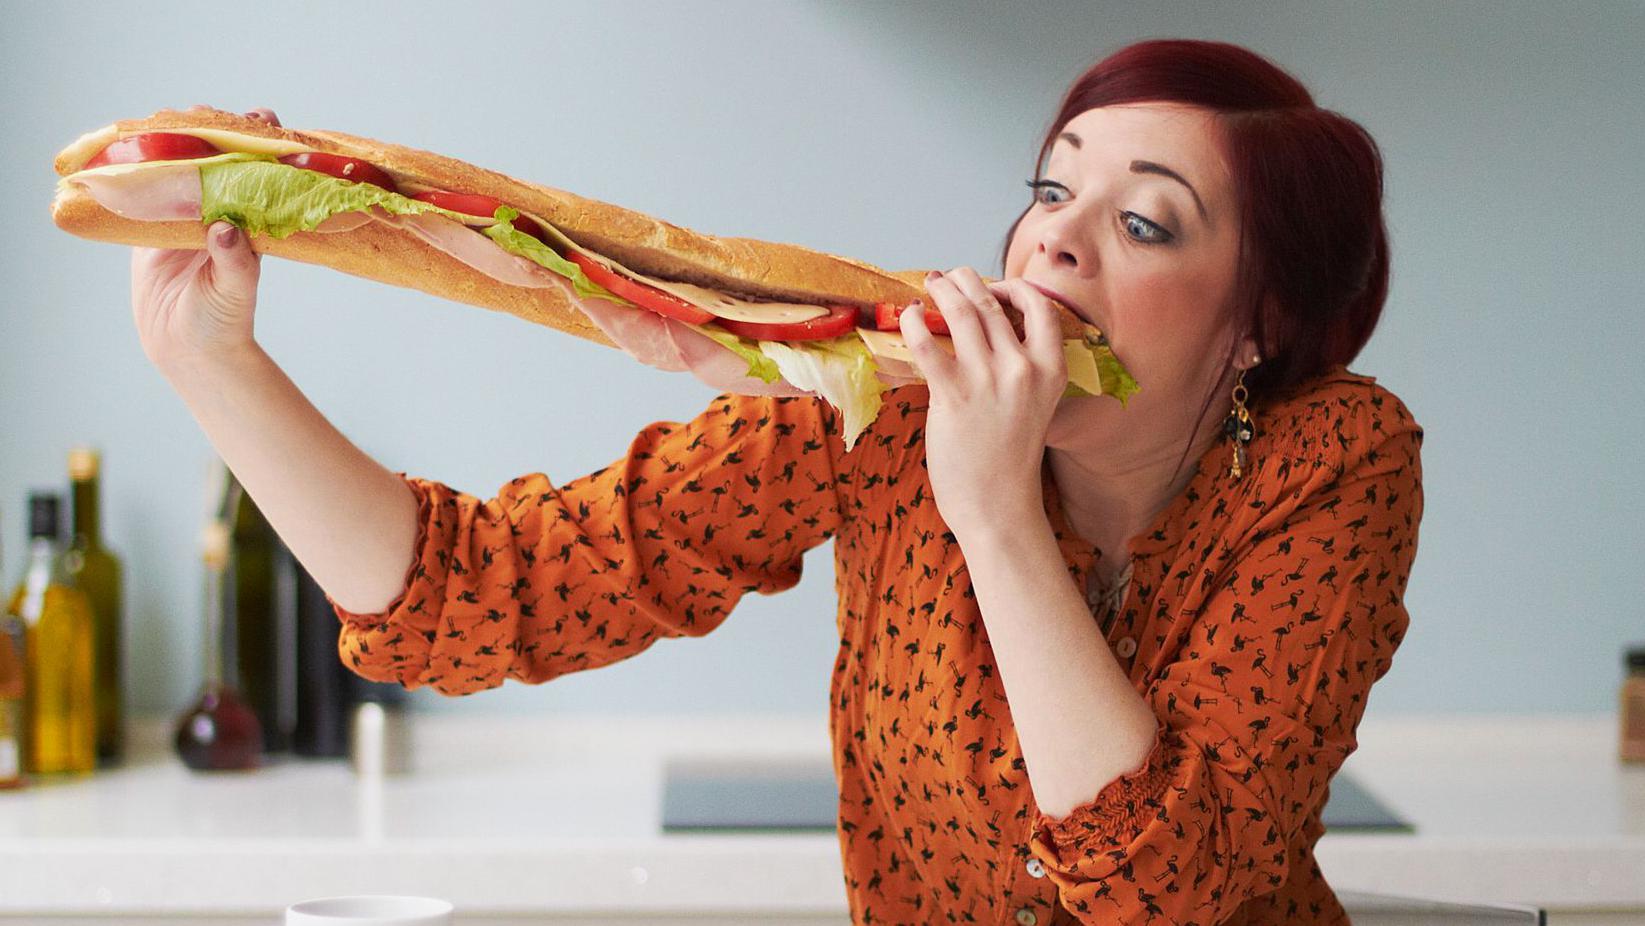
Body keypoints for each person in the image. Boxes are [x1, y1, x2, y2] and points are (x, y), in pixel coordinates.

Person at [132, 38, 1422, 926]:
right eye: (1050, 189)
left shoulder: (1336, 466)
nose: (1053, 243)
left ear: (1256, 321)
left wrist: (992, 517)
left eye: (1142, 221)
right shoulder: (878, 403)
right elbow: (482, 590)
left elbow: (1170, 897)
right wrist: (215, 370)